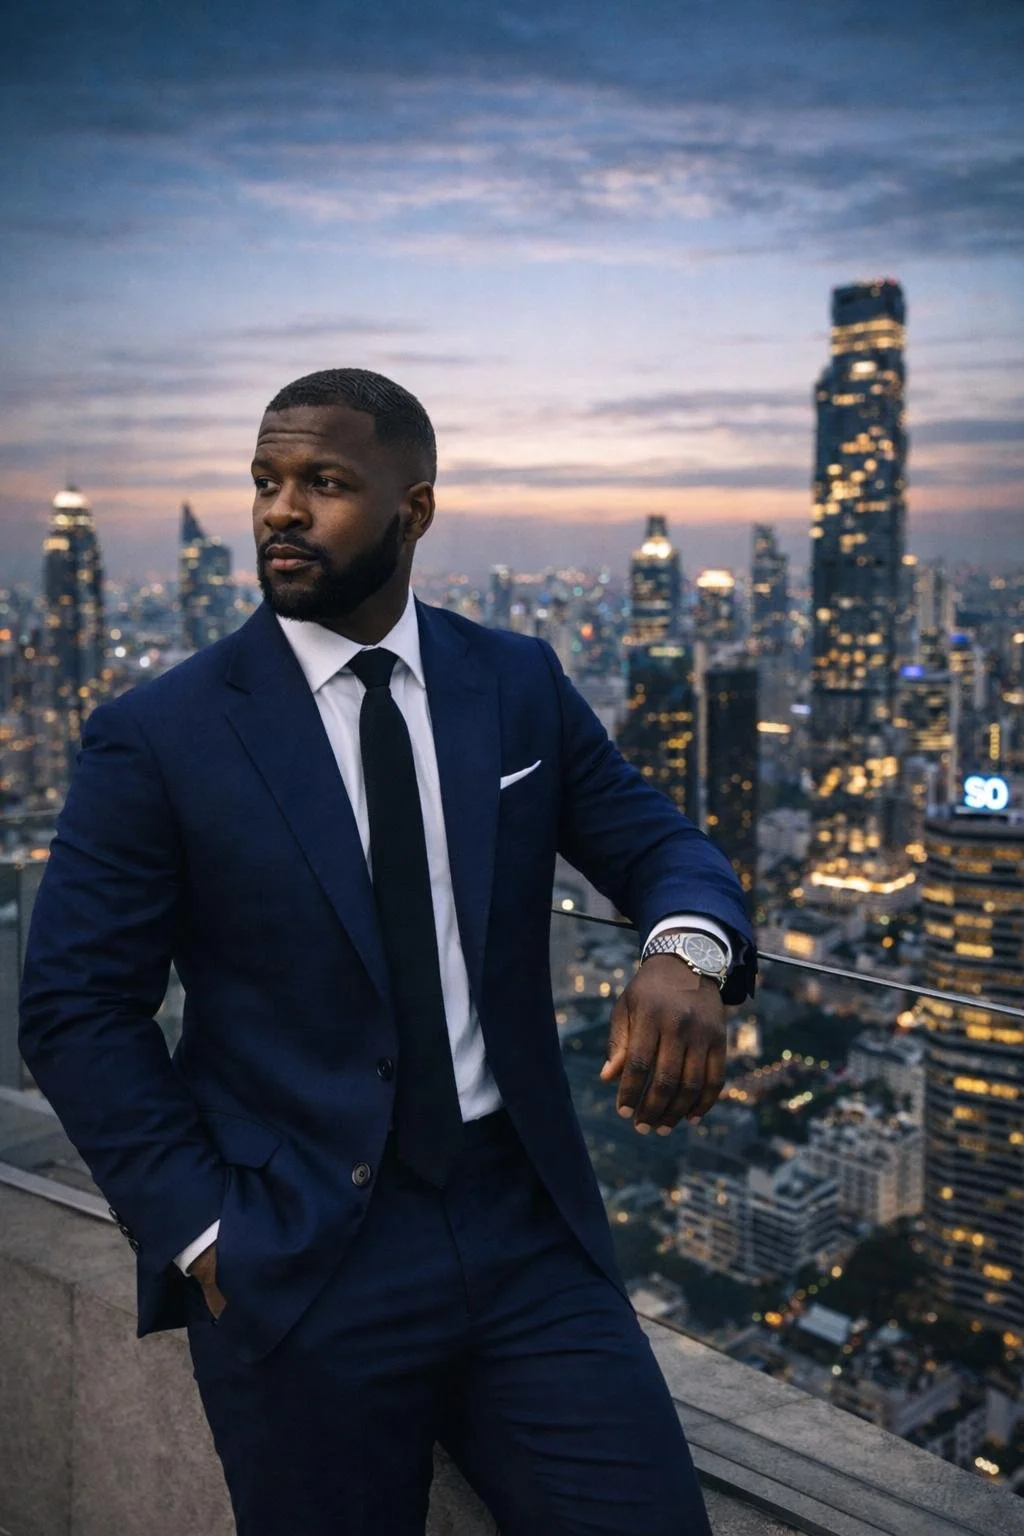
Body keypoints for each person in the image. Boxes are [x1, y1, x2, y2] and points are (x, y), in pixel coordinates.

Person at [20, 368, 755, 1535]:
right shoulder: (159, 734)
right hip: (298, 1252)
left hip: (523, 1231)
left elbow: (662, 844)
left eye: (323, 482)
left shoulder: (511, 685)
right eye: (266, 481)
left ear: (412, 510)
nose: (280, 511)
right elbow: (75, 1008)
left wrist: (686, 953)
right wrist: (209, 1236)